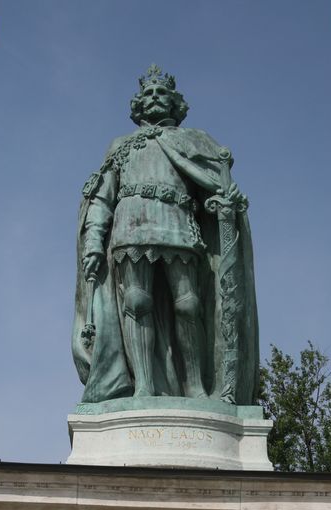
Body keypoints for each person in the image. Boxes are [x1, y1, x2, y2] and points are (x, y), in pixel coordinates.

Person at [72, 65, 258, 404]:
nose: (155, 98)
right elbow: (102, 197)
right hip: (130, 227)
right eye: (149, 93)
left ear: (175, 103)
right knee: (136, 302)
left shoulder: (194, 141)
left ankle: (196, 387)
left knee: (189, 304)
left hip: (177, 224)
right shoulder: (121, 145)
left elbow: (213, 186)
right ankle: (143, 385)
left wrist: (222, 204)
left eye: (162, 93)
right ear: (139, 104)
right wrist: (96, 240)